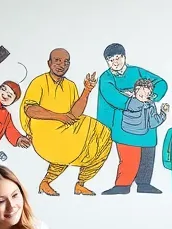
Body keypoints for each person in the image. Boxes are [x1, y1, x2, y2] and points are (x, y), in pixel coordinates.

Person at [20, 48, 112, 196]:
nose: (62, 65)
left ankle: (79, 183)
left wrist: (87, 90)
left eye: (66, 62)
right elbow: (30, 110)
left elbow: (74, 114)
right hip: (42, 133)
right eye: (57, 61)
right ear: (49, 63)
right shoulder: (39, 82)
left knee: (103, 134)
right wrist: (59, 116)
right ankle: (48, 182)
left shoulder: (70, 85)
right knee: (72, 143)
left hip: (64, 130)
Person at [95, 43, 169, 195]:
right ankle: (122, 185)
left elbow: (161, 83)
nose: (115, 62)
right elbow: (111, 96)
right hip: (125, 123)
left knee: (147, 155)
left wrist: (152, 96)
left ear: (124, 57)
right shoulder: (106, 78)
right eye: (111, 60)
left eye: (118, 58)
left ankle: (144, 184)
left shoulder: (137, 71)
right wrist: (133, 102)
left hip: (147, 123)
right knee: (129, 156)